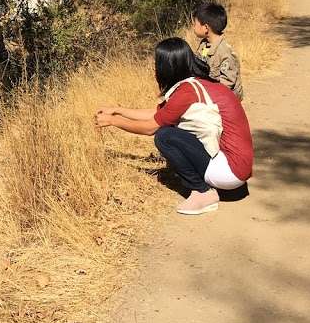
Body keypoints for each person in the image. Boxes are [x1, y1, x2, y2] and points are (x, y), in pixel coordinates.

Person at [95, 37, 254, 216]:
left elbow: (151, 127)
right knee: (169, 129)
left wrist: (113, 121)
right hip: (238, 169)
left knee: (164, 136)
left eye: (157, 63)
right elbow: (157, 114)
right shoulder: (199, 84)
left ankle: (202, 192)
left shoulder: (187, 91)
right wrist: (117, 110)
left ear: (167, 67)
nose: (154, 68)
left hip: (228, 172)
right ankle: (207, 185)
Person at [192, 2, 243, 100]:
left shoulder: (225, 52)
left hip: (224, 101)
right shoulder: (204, 44)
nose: (193, 27)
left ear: (206, 28)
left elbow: (227, 84)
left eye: (195, 24)